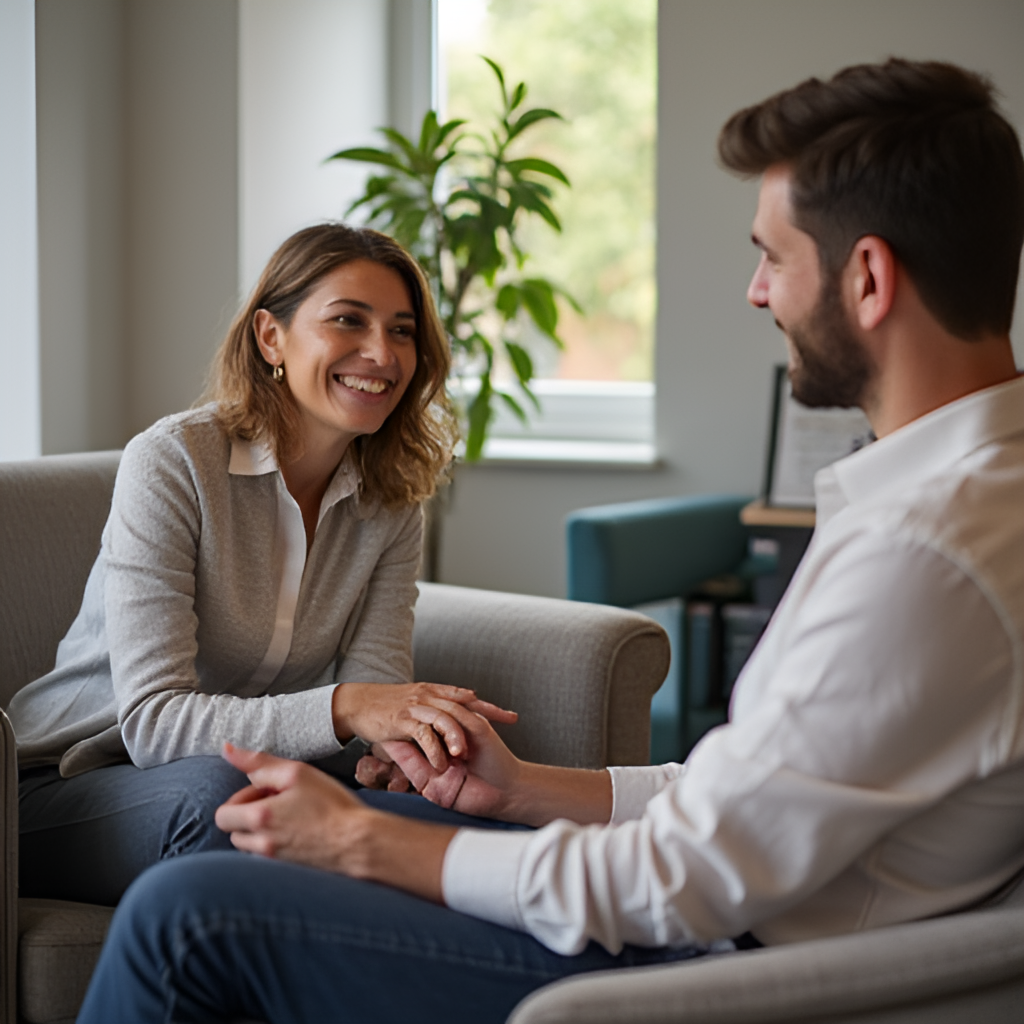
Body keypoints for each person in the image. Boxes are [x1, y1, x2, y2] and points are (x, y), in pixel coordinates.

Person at [78, 58, 1024, 1024]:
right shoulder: (968, 505)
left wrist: (368, 844)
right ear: (272, 338)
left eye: (772, 259)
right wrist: (526, 788)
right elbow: (748, 790)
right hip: (736, 910)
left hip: (725, 958)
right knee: (295, 826)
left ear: (867, 277)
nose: (755, 293)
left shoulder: (920, 552)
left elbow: (682, 876)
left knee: (184, 913)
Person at [8, 223, 515, 907]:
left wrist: (396, 756)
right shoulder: (174, 462)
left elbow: (376, 697)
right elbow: (156, 724)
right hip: (63, 786)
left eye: (402, 331)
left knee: (452, 814)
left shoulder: (392, 501)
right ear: (270, 337)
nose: (382, 353)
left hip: (247, 776)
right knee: (228, 801)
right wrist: (348, 708)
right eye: (348, 321)